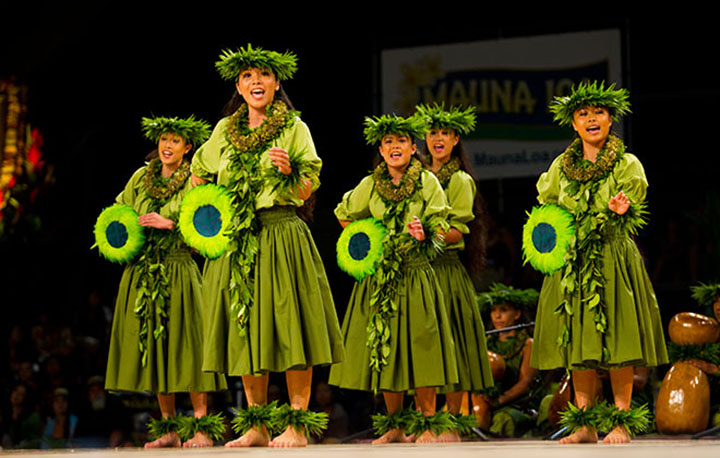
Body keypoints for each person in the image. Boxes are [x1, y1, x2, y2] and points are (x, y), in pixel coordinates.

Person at [190, 44, 344, 448]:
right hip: (236, 240)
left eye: (263, 75)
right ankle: (257, 425)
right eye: (247, 77)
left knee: (290, 327)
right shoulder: (223, 131)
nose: (255, 82)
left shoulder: (295, 128)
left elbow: (310, 184)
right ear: (239, 88)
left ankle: (297, 423)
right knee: (245, 331)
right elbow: (199, 175)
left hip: (281, 231)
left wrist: (290, 170)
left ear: (277, 83)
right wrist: (208, 213)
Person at [529, 81, 667, 444]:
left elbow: (632, 207)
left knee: (618, 337)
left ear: (610, 120)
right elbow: (550, 210)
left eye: (599, 113)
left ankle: (621, 420)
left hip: (613, 256)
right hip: (572, 263)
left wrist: (623, 211)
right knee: (578, 341)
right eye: (583, 114)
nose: (591, 119)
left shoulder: (627, 164)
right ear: (573, 124)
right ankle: (585, 422)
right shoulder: (560, 167)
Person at [328, 114, 458, 444]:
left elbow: (442, 224)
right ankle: (395, 424)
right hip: (380, 277)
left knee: (422, 345)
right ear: (381, 150)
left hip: (416, 272)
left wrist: (424, 232)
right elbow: (344, 215)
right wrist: (366, 239)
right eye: (388, 142)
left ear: (413, 148)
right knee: (385, 348)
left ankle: (428, 422)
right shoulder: (370, 184)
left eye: (400, 141)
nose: (394, 147)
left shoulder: (428, 181)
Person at [103, 115, 227, 448]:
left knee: (189, 345)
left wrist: (169, 223)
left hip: (180, 267)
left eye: (175, 141)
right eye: (164, 139)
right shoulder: (140, 177)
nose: (167, 146)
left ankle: (201, 425)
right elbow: (120, 213)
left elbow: (210, 225)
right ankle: (168, 428)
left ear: (188, 148)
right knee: (157, 348)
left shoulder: (195, 181)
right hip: (143, 271)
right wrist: (122, 232)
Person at [414, 103, 494, 441]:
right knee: (423, 345)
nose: (437, 139)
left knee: (453, 344)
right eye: (432, 133)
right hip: (418, 270)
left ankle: (453, 420)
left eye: (445, 133)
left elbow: (458, 231)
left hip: (446, 269)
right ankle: (425, 420)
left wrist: (425, 234)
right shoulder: (415, 177)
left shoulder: (460, 180)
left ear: (456, 138)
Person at [478, 283, 540, 437]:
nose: (497, 316)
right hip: (485, 401)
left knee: (502, 419)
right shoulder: (485, 342)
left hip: (516, 404)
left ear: (517, 314)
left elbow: (525, 383)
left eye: (503, 310)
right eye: (493, 310)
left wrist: (498, 401)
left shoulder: (528, 344)